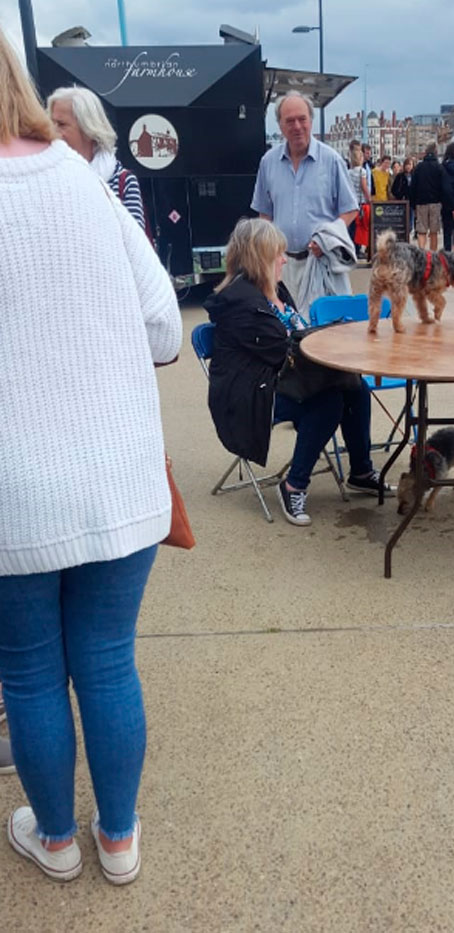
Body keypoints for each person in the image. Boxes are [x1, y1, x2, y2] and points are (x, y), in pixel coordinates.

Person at [0, 29, 182, 884]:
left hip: (12, 491)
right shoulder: (85, 182)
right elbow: (163, 327)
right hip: (115, 472)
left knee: (31, 672)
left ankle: (58, 841)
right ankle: (118, 840)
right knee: (107, 658)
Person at [204, 218, 394, 526]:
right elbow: (285, 351)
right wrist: (331, 344)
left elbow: (295, 344)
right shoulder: (240, 302)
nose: (283, 260)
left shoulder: (274, 289)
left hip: (281, 377)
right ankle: (293, 485)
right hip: (250, 394)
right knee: (327, 401)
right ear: (259, 257)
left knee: (355, 387)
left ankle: (360, 472)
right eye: (277, 254)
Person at [251, 91, 358, 301]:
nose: (297, 126)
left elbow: (350, 209)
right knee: (286, 329)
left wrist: (327, 238)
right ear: (280, 126)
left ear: (311, 120)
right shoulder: (268, 163)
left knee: (325, 329)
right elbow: (265, 214)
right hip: (282, 265)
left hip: (321, 263)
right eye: (289, 121)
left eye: (302, 119)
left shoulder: (332, 161)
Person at [47, 86, 145, 229]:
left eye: (61, 124)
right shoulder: (48, 180)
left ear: (88, 129)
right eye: (51, 123)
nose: (52, 131)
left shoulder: (122, 182)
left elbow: (137, 246)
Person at [410, 141, 443, 250]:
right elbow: (443, 186)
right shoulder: (439, 167)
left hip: (421, 202)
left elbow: (413, 187)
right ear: (436, 151)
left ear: (425, 152)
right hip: (435, 202)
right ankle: (432, 256)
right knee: (433, 232)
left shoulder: (419, 167)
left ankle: (422, 255)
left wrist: (413, 204)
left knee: (421, 231)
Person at [348, 144, 371, 257]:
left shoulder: (348, 172)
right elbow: (364, 186)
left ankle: (351, 249)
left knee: (351, 227)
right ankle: (357, 250)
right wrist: (369, 198)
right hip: (360, 203)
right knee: (359, 227)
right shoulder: (362, 171)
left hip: (351, 202)